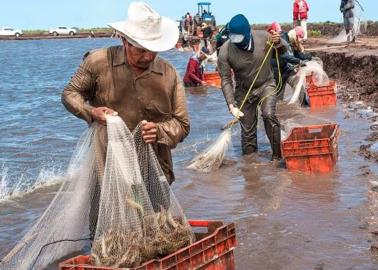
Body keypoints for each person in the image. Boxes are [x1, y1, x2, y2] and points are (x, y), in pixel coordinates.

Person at [61, 2, 190, 238]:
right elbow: (70, 94)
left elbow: (182, 125)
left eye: (153, 50)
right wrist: (91, 112)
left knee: (154, 230)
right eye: (140, 49)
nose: (147, 56)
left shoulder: (168, 74)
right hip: (107, 164)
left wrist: (159, 132)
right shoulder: (97, 62)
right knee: (106, 233)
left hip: (154, 166)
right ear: (124, 40)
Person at [217, 14, 287, 161]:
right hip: (243, 90)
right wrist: (231, 104)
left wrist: (279, 42)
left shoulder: (264, 37)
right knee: (247, 130)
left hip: (266, 84)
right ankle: (250, 165)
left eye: (240, 39)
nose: (238, 43)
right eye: (234, 39)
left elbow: (285, 50)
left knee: (268, 115)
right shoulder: (225, 51)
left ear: (248, 32)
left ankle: (277, 157)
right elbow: (225, 79)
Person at [268, 24, 312, 105]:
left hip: (288, 70)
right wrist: (299, 62)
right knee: (278, 97)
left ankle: (304, 105)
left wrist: (310, 57)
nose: (299, 41)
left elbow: (298, 55)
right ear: (295, 35)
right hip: (277, 72)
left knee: (298, 84)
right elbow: (285, 56)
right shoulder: (282, 39)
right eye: (299, 39)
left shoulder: (293, 41)